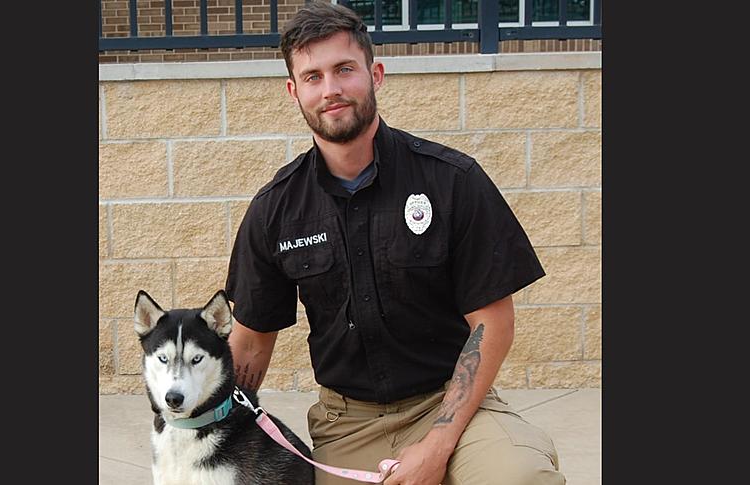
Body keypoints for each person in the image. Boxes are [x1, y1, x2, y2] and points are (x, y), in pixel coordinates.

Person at [224, 2, 565, 484]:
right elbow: (252, 343)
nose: (332, 90)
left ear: (376, 74)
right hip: (348, 425)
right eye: (313, 77)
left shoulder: (452, 181)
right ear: (294, 91)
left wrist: (438, 443)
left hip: (451, 406)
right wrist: (202, 424)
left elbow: (493, 323)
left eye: (345, 69)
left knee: (520, 477)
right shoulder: (275, 209)